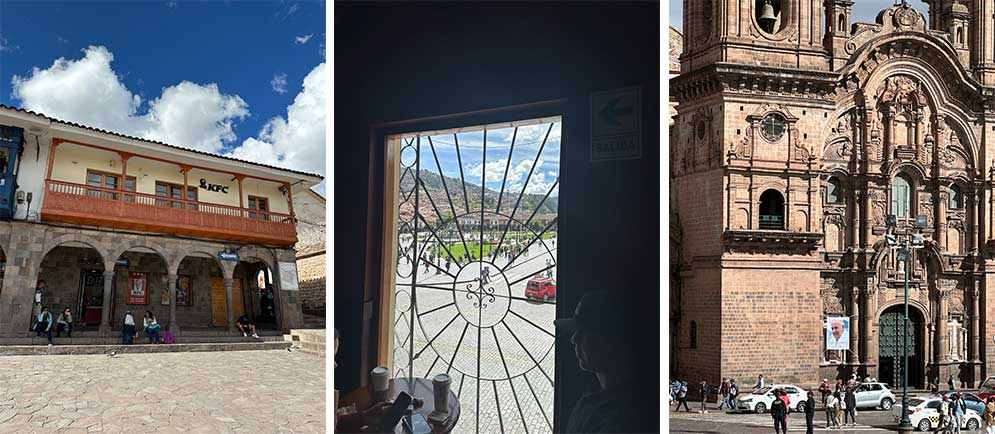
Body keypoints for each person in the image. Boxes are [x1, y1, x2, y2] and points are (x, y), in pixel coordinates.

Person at [555, 291, 656, 433]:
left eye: (583, 332)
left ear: (611, 340)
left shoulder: (620, 421)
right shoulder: (598, 396)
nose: (574, 339)